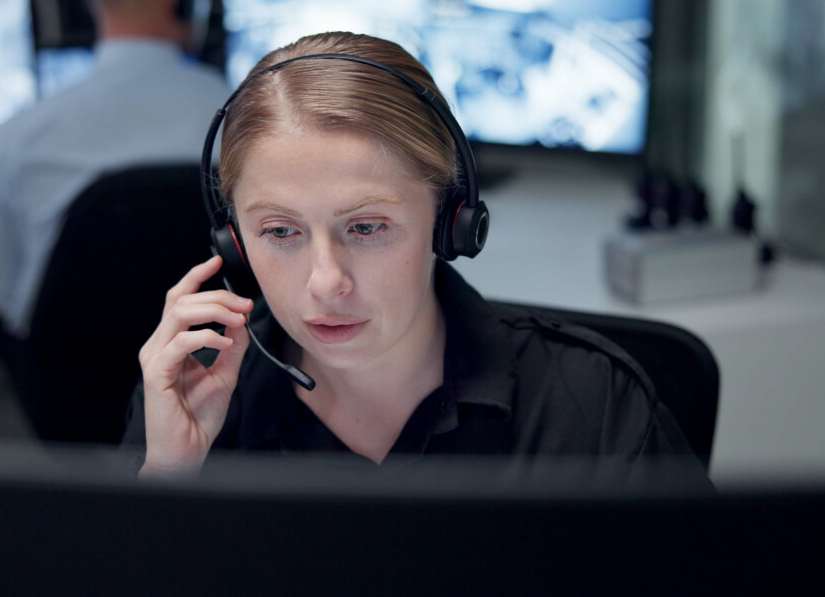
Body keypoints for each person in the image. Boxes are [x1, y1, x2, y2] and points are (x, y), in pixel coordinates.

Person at [121, 31, 712, 490]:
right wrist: (168, 482)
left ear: (450, 219)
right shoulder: (188, 398)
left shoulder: (591, 406)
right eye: (280, 231)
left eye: (368, 226)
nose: (327, 282)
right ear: (232, 241)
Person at [0, 0, 232, 339]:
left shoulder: (14, 139)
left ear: (87, 1)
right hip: (215, 361)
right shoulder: (243, 121)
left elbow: (11, 305)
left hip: (74, 383)